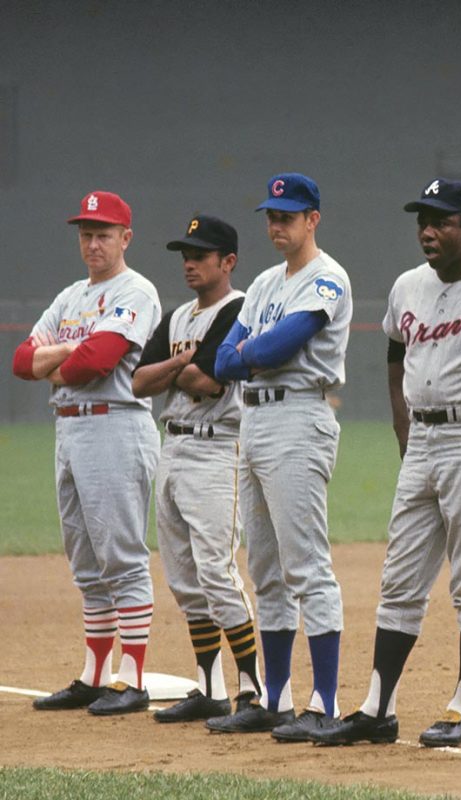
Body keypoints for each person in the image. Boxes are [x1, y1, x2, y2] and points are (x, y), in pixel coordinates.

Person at [310, 179, 461, 748]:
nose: (428, 230)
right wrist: (402, 422)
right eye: (423, 220)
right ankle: (378, 707)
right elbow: (395, 352)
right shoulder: (406, 286)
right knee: (399, 577)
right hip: (422, 438)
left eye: (441, 220)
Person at [207, 172, 352, 742]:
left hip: (299, 417)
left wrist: (251, 352)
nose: (276, 225)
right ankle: (276, 699)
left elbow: (280, 344)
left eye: (287, 216)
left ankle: (324, 701)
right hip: (256, 420)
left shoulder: (328, 277)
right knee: (265, 569)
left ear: (312, 219)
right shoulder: (266, 283)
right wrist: (251, 353)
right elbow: (222, 361)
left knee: (306, 565)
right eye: (271, 215)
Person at [13, 190, 162, 715]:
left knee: (121, 555)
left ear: (126, 237)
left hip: (115, 424)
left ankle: (132, 678)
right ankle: (94, 675)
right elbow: (21, 362)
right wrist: (68, 351)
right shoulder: (70, 297)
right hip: (71, 428)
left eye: (103, 234)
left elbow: (94, 362)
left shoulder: (136, 291)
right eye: (85, 234)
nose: (93, 243)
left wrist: (57, 360)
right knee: (86, 561)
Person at [131, 214, 263, 722]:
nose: (189, 262)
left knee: (217, 571)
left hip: (216, 449)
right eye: (185, 254)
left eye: (200, 254)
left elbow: (208, 381)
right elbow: (139, 382)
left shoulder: (239, 309)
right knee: (185, 577)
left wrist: (178, 370)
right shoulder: (178, 316)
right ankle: (209, 689)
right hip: (174, 446)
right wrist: (177, 365)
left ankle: (252, 690)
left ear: (227, 261)